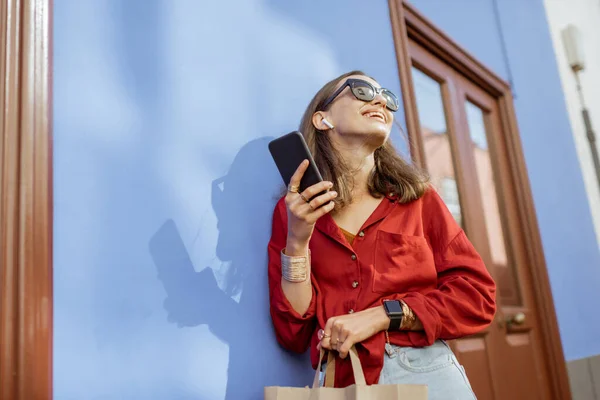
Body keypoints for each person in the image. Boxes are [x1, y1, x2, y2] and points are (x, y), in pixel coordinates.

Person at [267, 70, 496, 399]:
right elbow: (294, 333)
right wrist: (298, 241)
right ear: (322, 118)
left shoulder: (417, 199)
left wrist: (382, 315)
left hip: (424, 370)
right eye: (360, 91)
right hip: (344, 381)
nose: (379, 100)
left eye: (386, 98)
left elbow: (477, 297)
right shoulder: (294, 211)